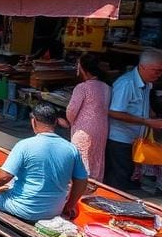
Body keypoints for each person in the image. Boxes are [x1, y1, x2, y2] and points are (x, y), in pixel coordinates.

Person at [0, 103, 88, 223]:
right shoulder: (71, 148)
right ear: (55, 122)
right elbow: (82, 181)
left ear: (33, 122)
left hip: (23, 210)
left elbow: (4, 176)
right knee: (6, 188)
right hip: (54, 211)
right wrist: (69, 205)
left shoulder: (24, 145)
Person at [105, 49, 162, 190]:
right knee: (119, 177)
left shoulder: (147, 83)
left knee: (128, 175)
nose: (159, 74)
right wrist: (146, 121)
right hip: (120, 139)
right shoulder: (126, 84)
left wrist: (151, 115)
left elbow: (142, 106)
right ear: (142, 67)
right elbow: (113, 112)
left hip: (135, 140)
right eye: (156, 70)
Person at [64, 53, 111, 181]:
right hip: (101, 129)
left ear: (83, 69)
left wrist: (70, 122)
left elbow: (71, 110)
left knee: (81, 159)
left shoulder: (82, 87)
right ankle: (93, 187)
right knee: (96, 158)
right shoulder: (106, 87)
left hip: (83, 130)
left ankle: (79, 189)